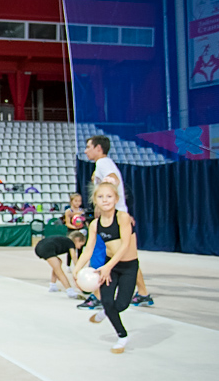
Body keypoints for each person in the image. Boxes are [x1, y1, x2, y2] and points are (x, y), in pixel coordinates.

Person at [85, 136, 154, 308]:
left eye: (88, 147)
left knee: (98, 255)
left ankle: (98, 296)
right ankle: (143, 293)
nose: (85, 150)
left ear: (98, 148)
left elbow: (113, 177)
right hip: (116, 215)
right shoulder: (101, 164)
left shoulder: (103, 163)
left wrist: (109, 182)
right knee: (128, 258)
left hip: (112, 218)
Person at [74, 182, 139, 354]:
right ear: (95, 200)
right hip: (110, 266)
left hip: (128, 266)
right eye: (101, 197)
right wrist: (76, 269)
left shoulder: (122, 217)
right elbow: (88, 249)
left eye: (109, 196)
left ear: (116, 199)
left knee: (122, 304)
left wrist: (108, 266)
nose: (105, 200)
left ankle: (106, 313)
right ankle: (122, 336)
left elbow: (125, 245)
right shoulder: (95, 224)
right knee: (107, 301)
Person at [35, 231, 85, 299]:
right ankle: (70, 291)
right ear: (77, 240)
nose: (79, 248)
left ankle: (53, 286)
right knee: (59, 270)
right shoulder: (71, 243)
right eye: (81, 245)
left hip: (41, 246)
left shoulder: (66, 241)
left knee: (59, 262)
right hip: (46, 248)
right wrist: (78, 269)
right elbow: (73, 257)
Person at [62, 193, 86, 270]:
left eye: (79, 201)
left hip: (79, 230)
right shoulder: (68, 211)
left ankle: (79, 265)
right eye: (76, 201)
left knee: (80, 248)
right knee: (71, 248)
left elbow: (83, 221)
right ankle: (68, 265)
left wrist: (81, 225)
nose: (78, 203)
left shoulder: (81, 211)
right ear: (71, 201)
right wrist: (75, 227)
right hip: (72, 231)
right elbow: (68, 223)